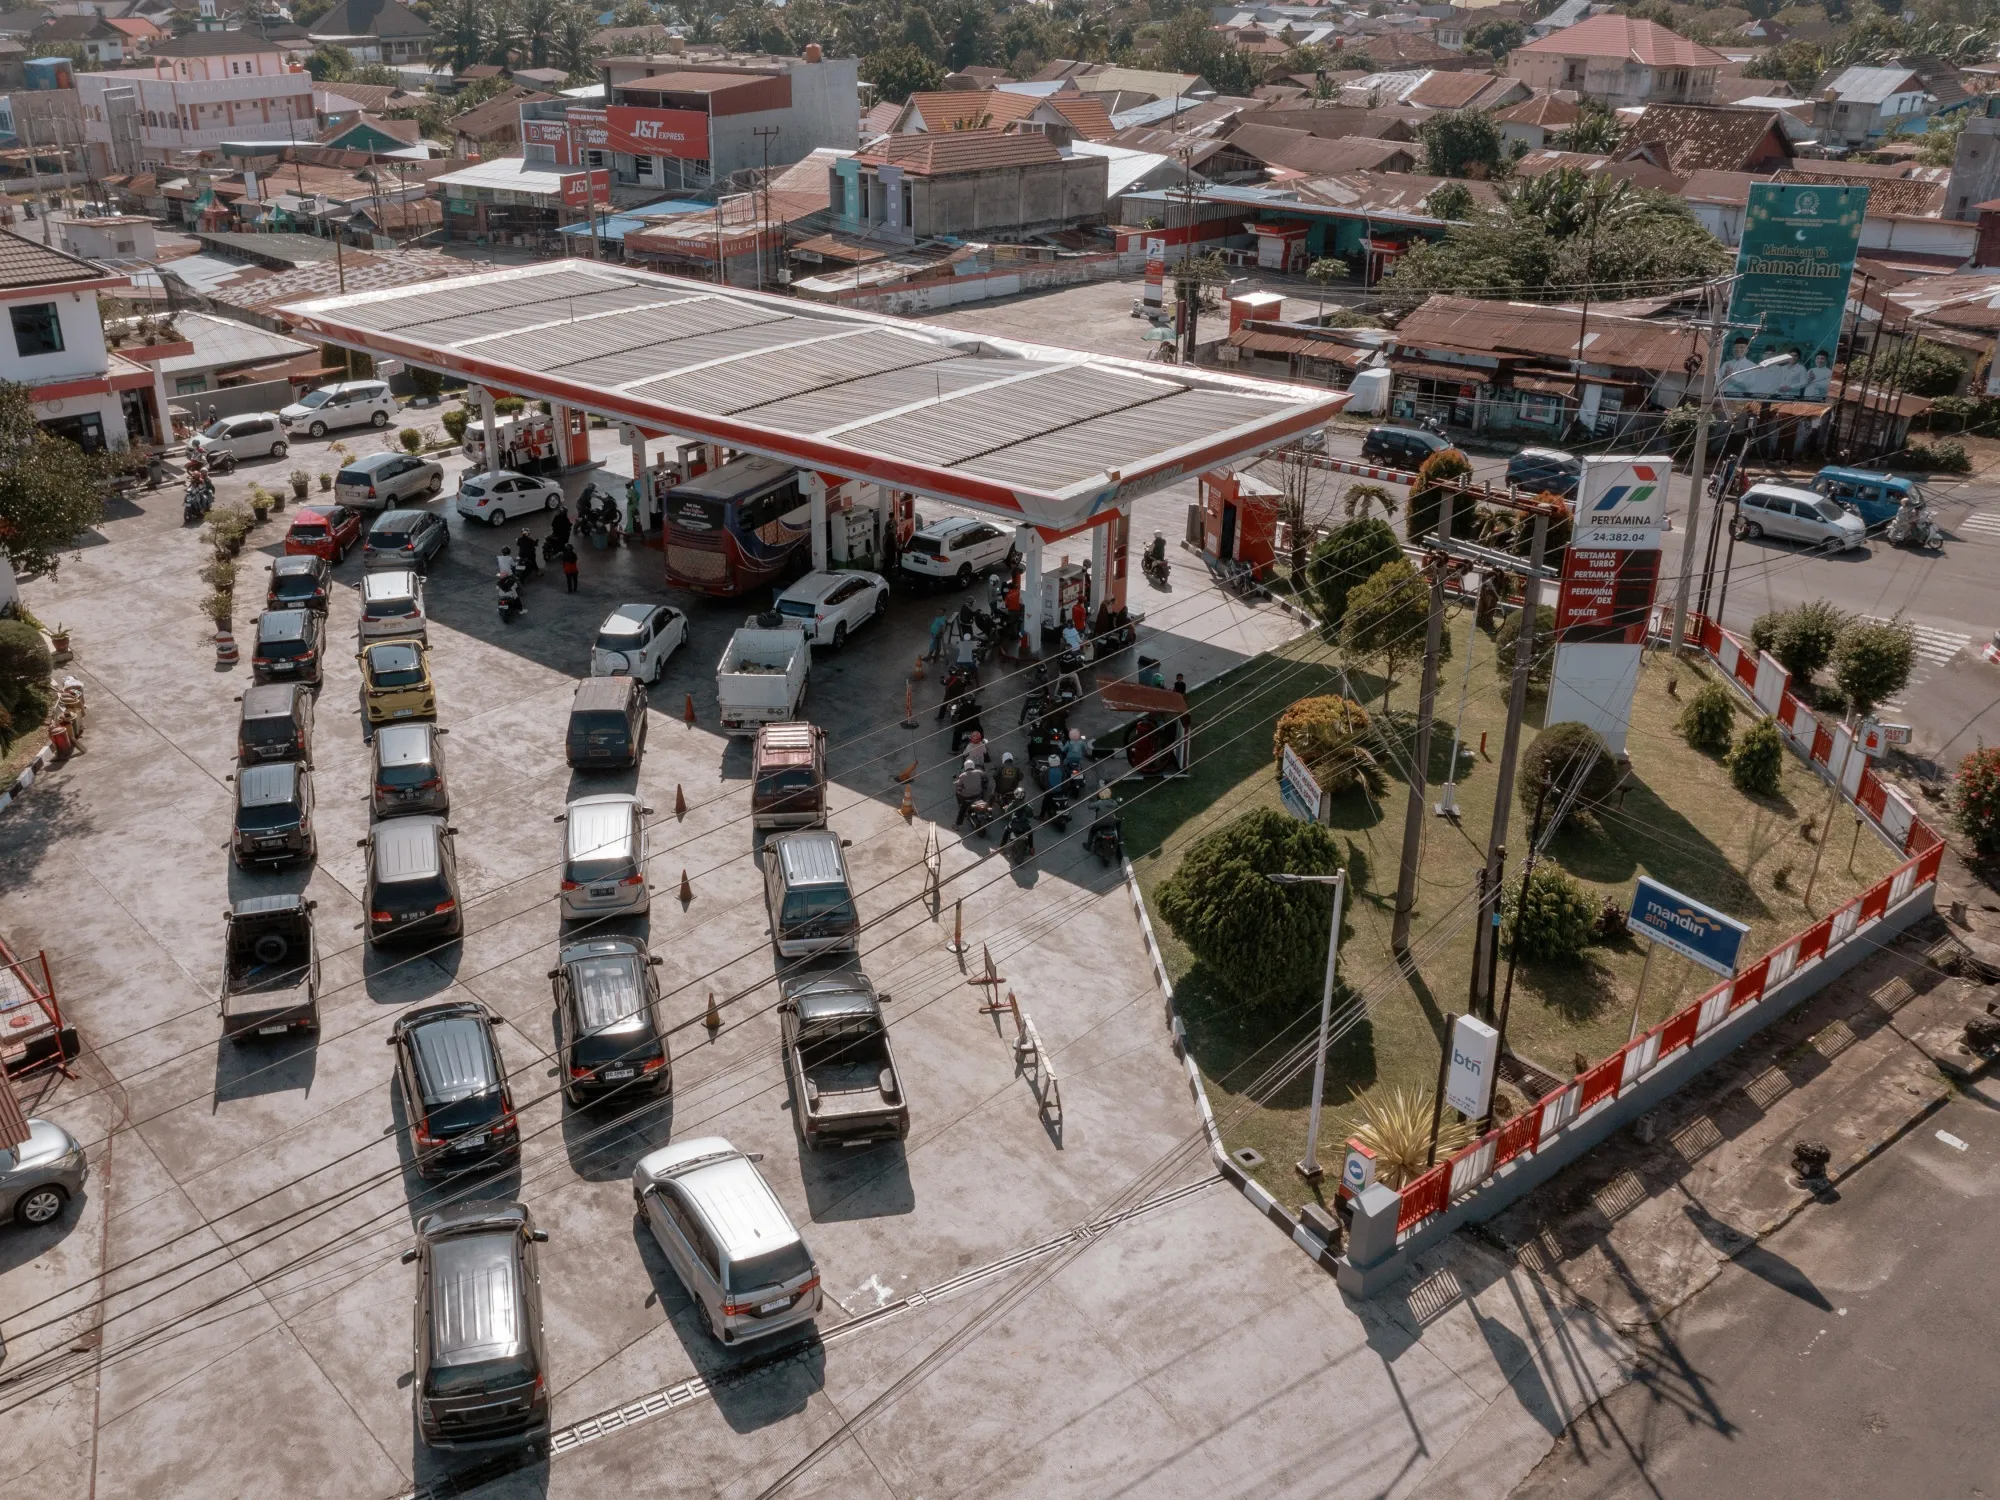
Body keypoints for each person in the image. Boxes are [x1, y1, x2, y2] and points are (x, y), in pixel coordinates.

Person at [953, 758, 988, 828]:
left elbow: (957, 785)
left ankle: (957, 825)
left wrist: (956, 783)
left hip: (967, 798)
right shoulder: (979, 772)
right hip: (978, 795)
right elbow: (985, 776)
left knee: (962, 810)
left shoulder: (962, 775)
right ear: (973, 766)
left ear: (965, 767)